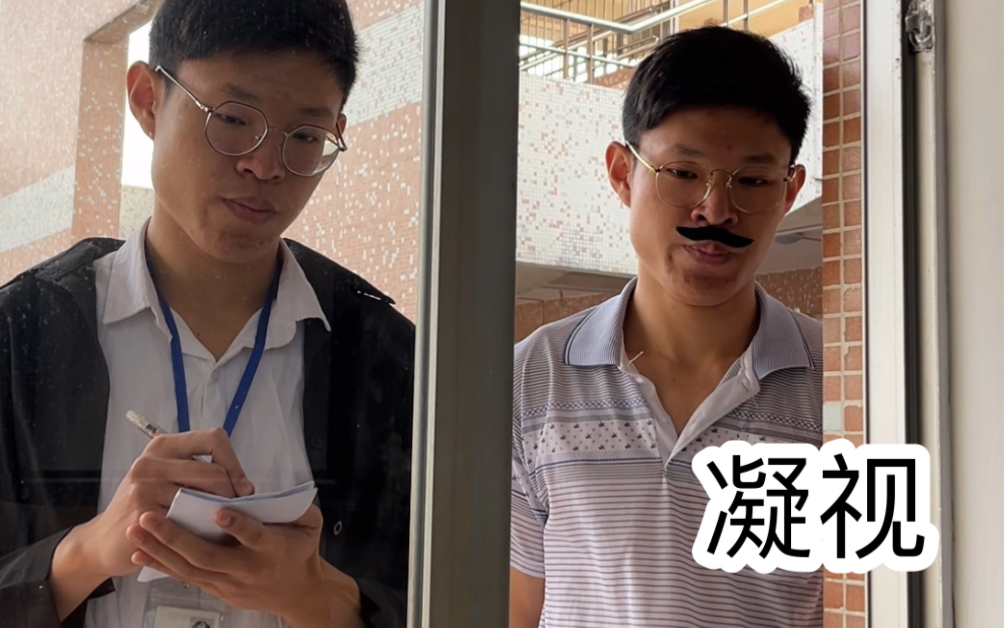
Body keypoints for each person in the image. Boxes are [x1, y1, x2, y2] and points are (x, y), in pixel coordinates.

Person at [0, 1, 413, 627]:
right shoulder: (22, 337)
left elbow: (455, 595)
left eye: (305, 137)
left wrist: (317, 596)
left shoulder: (389, 361)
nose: (265, 166)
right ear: (147, 100)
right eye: (233, 119)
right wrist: (84, 554)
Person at [509, 26, 822, 627]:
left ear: (789, 194)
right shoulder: (531, 378)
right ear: (622, 173)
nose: (716, 209)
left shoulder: (843, 387)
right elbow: (517, 609)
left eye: (753, 181)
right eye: (682, 172)